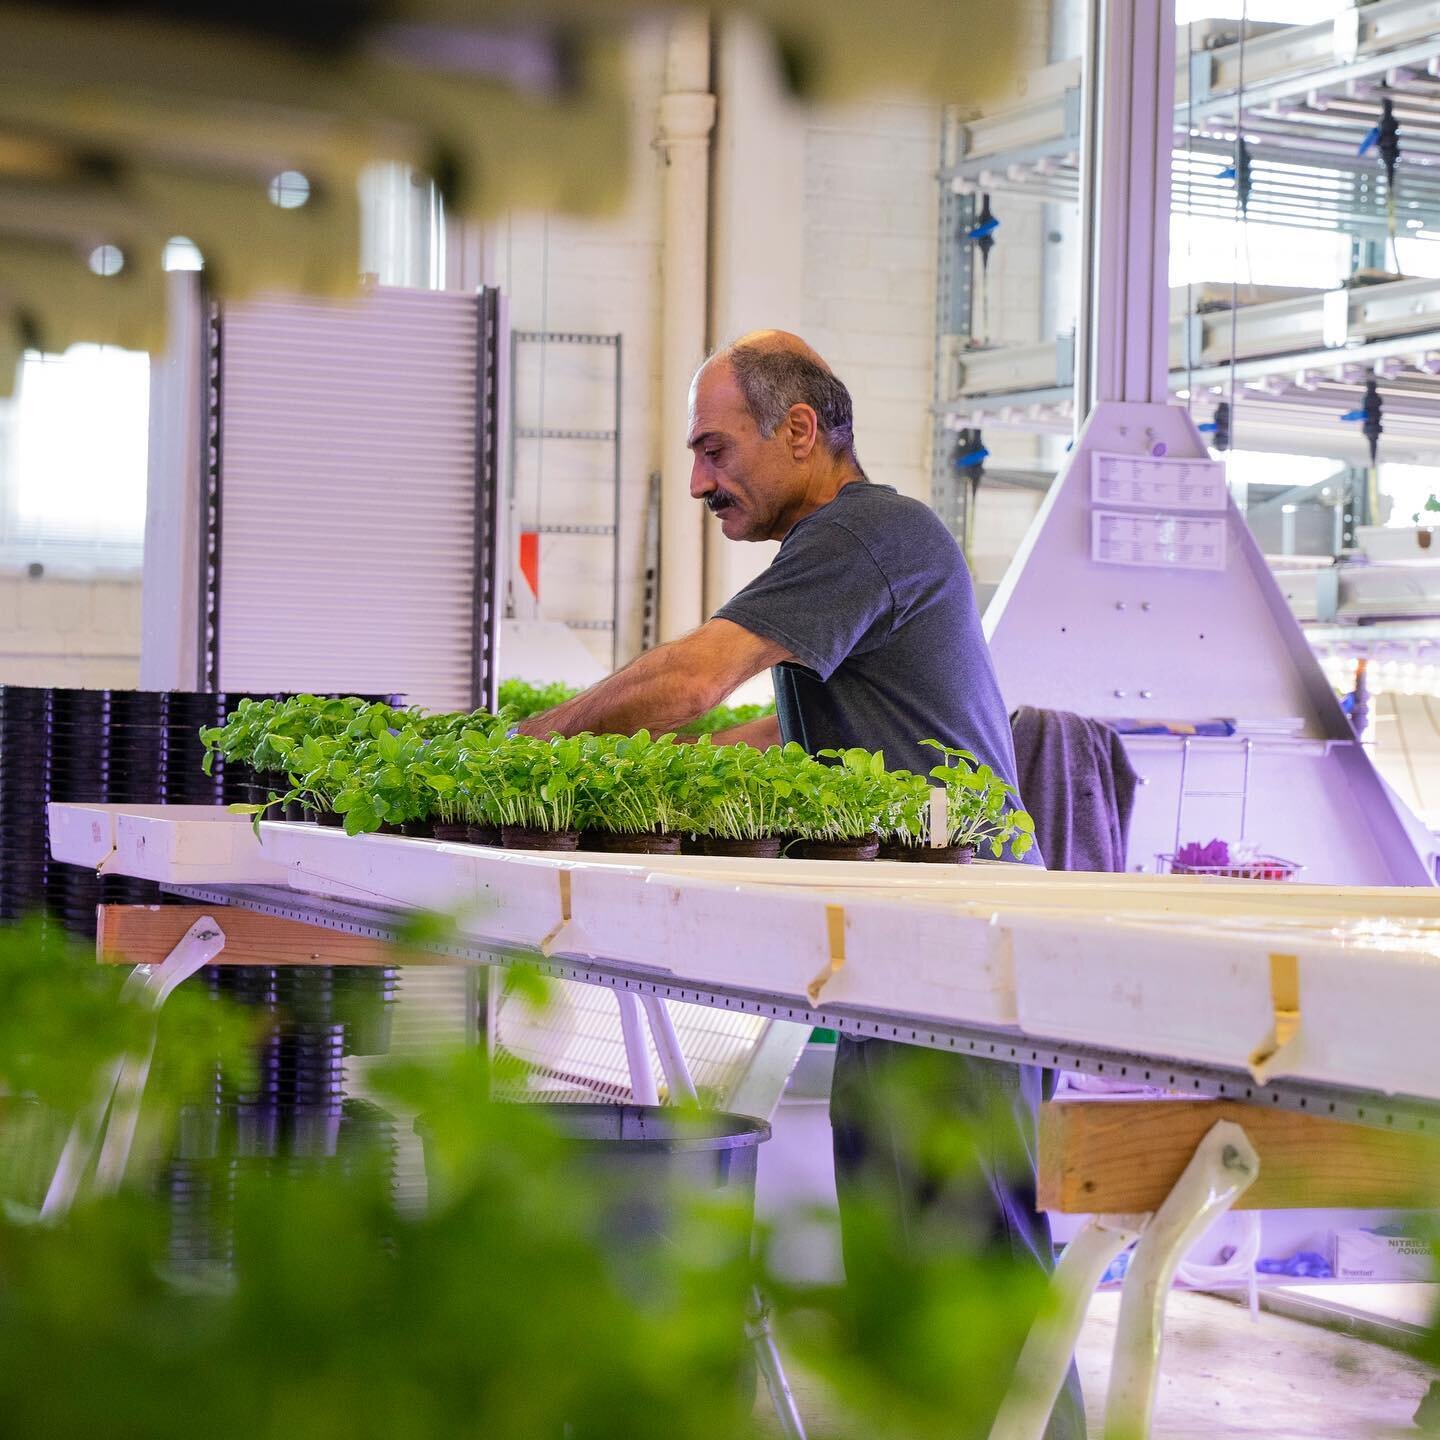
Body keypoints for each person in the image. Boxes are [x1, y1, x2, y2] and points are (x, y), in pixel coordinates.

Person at [518, 330, 1083, 1439]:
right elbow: (793, 746)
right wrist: (660, 780)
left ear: (800, 431)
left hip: (962, 954)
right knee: (905, 1262)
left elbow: (688, 680)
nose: (697, 482)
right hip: (906, 955)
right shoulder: (847, 557)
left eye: (714, 448)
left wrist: (533, 750)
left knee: (973, 1257)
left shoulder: (867, 531)